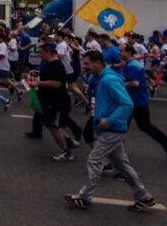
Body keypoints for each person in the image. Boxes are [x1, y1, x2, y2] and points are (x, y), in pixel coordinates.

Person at [64, 50, 157, 212]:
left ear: (98, 63)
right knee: (121, 165)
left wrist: (109, 120)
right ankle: (144, 196)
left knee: (94, 160)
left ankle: (84, 197)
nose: (84, 66)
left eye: (87, 64)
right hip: (105, 127)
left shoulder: (109, 80)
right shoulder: (99, 78)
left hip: (113, 129)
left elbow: (127, 104)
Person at [118, 43, 167, 160]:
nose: (119, 53)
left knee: (131, 127)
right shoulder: (130, 64)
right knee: (140, 126)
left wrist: (119, 84)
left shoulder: (132, 66)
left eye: (121, 51)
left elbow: (135, 83)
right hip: (133, 101)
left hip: (136, 102)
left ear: (128, 52)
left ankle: (117, 159)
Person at [30, 43, 81, 161]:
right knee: (50, 123)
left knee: (54, 125)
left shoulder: (56, 65)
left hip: (56, 102)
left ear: (48, 52)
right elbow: (49, 77)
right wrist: (38, 75)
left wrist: (38, 83)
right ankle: (69, 141)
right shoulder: (50, 64)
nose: (39, 54)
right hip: (49, 101)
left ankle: (67, 152)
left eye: (41, 52)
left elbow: (56, 83)